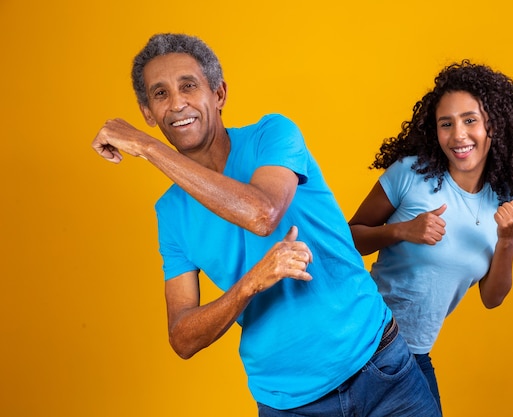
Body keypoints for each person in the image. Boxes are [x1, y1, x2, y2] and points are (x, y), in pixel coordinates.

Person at [91, 33, 441, 416]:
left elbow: (262, 214)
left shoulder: (272, 134)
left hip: (381, 371)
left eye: (188, 86)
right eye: (160, 94)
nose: (177, 104)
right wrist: (248, 285)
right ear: (148, 114)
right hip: (289, 404)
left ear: (219, 94)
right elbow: (182, 337)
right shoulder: (171, 213)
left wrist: (149, 148)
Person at [348, 60, 513, 414]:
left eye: (470, 120)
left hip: (414, 353)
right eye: (446, 124)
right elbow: (348, 238)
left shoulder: (502, 203)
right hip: (365, 339)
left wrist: (506, 239)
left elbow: (493, 297)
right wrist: (401, 231)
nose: (458, 135)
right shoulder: (411, 174)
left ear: (493, 126)